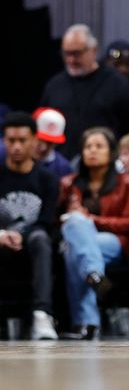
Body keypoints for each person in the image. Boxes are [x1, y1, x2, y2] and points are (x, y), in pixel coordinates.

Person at [58, 127, 129, 339]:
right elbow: (57, 221)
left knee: (76, 238)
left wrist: (91, 220)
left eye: (99, 146)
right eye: (87, 146)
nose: (92, 151)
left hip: (114, 241)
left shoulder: (126, 183)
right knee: (73, 239)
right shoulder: (69, 184)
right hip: (81, 243)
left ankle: (86, 322)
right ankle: (94, 275)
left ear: (111, 152)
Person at [40, 24, 129, 159]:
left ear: (93, 50)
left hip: (107, 169)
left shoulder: (116, 84)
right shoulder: (54, 86)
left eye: (77, 53)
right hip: (62, 167)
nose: (71, 59)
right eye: (66, 53)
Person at [0, 112, 59, 340]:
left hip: (32, 237)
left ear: (35, 140)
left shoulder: (47, 179)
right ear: (4, 140)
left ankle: (42, 315)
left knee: (41, 239)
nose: (16, 146)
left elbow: (45, 220)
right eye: (11, 140)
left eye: (22, 140)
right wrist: (3, 234)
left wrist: (20, 234)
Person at [32, 107, 74, 178]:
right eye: (40, 140)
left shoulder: (64, 168)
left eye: (50, 143)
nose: (43, 148)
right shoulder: (10, 156)